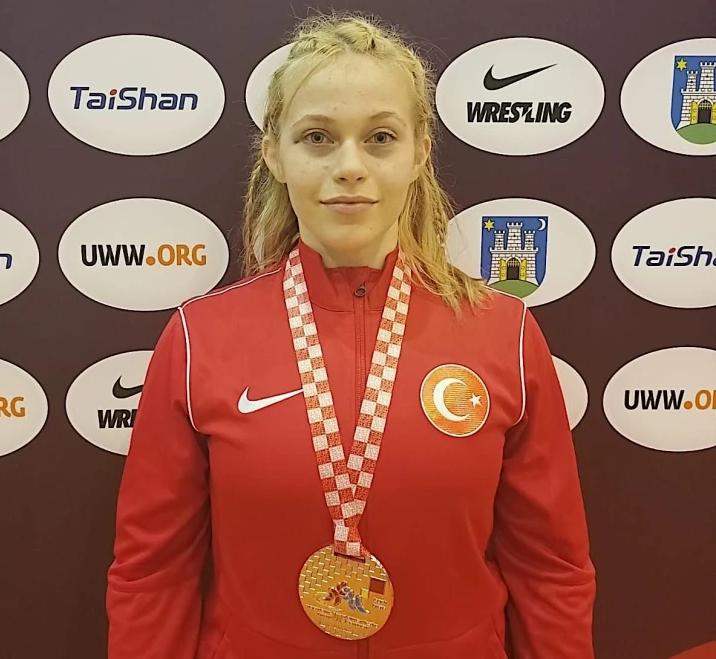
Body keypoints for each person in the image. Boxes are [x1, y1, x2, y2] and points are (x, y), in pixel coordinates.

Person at [106, 11, 596, 659]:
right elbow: (152, 572)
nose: (350, 166)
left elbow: (552, 568)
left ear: (420, 153)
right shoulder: (200, 339)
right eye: (317, 137)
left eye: (380, 137)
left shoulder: (504, 333)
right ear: (275, 154)